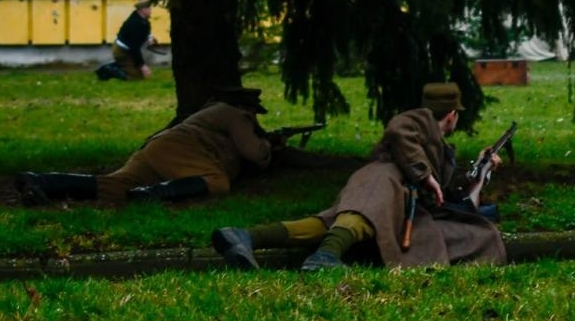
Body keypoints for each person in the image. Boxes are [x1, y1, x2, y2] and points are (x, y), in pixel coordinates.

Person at [214, 83, 506, 271]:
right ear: (452, 115)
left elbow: (453, 196)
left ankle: (246, 237)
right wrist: (424, 175)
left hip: (400, 203)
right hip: (383, 180)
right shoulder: (418, 119)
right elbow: (398, 130)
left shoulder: (441, 148)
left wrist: (482, 170)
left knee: (329, 222)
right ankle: (326, 257)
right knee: (360, 216)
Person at [17, 86, 277, 205]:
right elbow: (253, 152)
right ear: (246, 107)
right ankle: (151, 195)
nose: (254, 116)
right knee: (217, 182)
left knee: (115, 185)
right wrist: (269, 143)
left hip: (159, 149)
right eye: (254, 111)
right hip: (184, 153)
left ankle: (42, 182)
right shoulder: (234, 114)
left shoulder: (210, 113)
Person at [97, 0, 154, 80]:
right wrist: (142, 66)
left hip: (128, 50)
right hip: (122, 52)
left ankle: (119, 65)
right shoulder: (134, 24)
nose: (151, 11)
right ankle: (109, 70)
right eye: (148, 8)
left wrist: (149, 37)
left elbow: (146, 30)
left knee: (140, 74)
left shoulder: (142, 20)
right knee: (136, 77)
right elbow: (134, 48)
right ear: (142, 10)